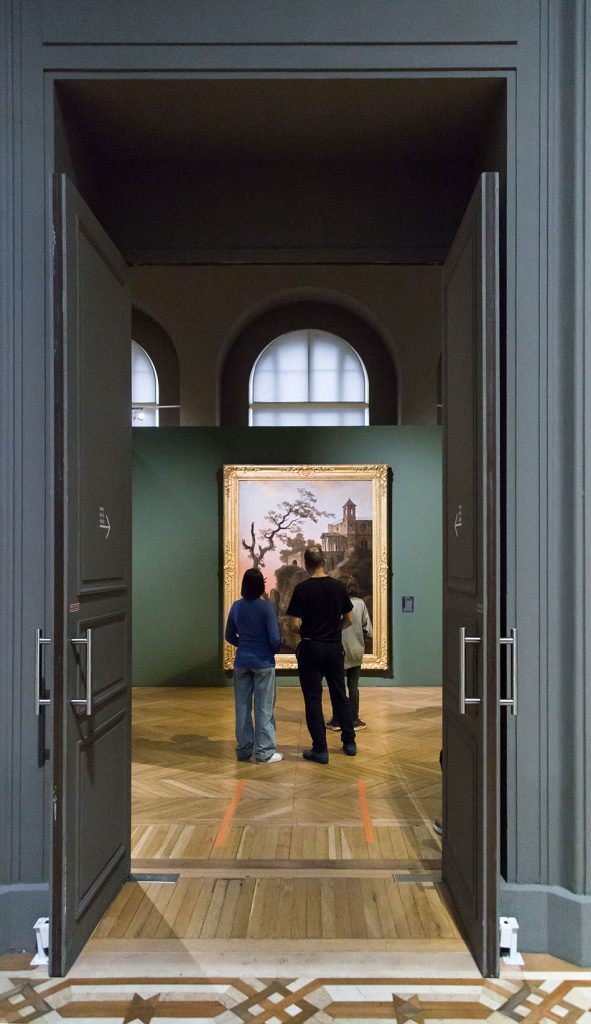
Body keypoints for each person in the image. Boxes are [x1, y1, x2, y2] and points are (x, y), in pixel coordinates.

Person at [287, 545, 357, 763]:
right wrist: (333, 629)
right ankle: (349, 742)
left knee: (313, 699)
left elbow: (294, 625)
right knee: (340, 694)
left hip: (310, 647)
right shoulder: (338, 587)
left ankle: (320, 749)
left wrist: (308, 629)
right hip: (334, 647)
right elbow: (349, 619)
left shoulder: (302, 589)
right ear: (324, 562)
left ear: (307, 565)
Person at [225, 567, 283, 764]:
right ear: (261, 586)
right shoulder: (266, 608)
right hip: (264, 662)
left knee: (241, 707)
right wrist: (269, 650)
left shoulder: (236, 606)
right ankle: (264, 752)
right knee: (264, 708)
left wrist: (243, 645)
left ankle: (243, 750)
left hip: (242, 661)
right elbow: (275, 638)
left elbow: (229, 635)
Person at [326, 581, 372, 731]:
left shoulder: (337, 603)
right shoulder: (361, 604)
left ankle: (337, 720)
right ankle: (353, 719)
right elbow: (368, 629)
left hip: (339, 649)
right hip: (357, 649)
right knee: (353, 685)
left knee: (337, 686)